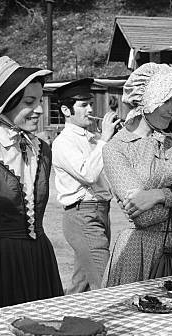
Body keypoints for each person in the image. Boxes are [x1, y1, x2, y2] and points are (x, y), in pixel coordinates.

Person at [102, 63, 172, 287]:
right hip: (138, 250)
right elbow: (144, 218)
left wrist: (157, 195)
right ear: (148, 98)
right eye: (166, 100)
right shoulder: (116, 148)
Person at [0, 56, 64, 308]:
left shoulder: (41, 149)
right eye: (30, 102)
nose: (39, 110)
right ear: (5, 103)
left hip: (38, 256)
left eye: (40, 101)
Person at [51, 78, 120, 293]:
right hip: (82, 215)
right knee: (106, 279)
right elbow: (88, 175)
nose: (90, 109)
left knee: (81, 286)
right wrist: (105, 139)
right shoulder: (63, 142)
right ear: (66, 110)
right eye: (83, 105)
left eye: (90, 103)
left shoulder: (93, 138)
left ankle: (68, 321)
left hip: (100, 212)